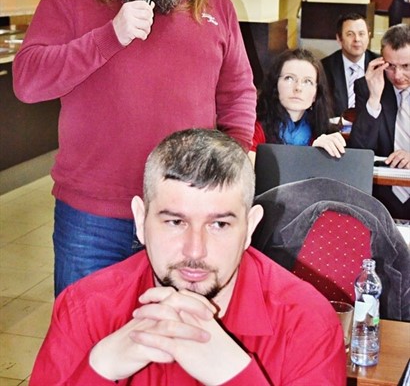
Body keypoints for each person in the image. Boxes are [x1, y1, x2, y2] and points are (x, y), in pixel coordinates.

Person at [12, 0, 256, 297]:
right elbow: (28, 81)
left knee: (175, 335)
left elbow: (237, 92)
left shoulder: (214, 2)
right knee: (87, 335)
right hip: (92, 218)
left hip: (185, 214)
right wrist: (110, 36)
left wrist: (235, 165)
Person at [29, 128, 346, 385]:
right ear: (140, 220)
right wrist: (100, 367)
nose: (195, 250)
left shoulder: (306, 323)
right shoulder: (85, 308)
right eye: (175, 222)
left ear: (249, 228)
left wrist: (236, 375)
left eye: (219, 225)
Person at [349, 23, 410, 220]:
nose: (398, 75)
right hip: (382, 197)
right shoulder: (367, 86)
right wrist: (374, 98)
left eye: (406, 66)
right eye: (390, 66)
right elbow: (359, 150)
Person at [251, 48, 346, 158]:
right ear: (275, 85)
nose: (298, 88)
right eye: (289, 78)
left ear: (316, 94)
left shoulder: (324, 134)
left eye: (307, 81)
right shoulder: (254, 128)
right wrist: (311, 155)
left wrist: (322, 156)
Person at [321, 13, 378, 117]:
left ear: (369, 36)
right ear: (339, 39)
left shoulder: (379, 66)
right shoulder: (324, 67)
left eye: (361, 34)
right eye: (350, 34)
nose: (357, 39)